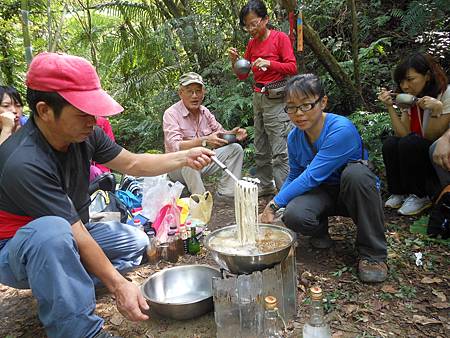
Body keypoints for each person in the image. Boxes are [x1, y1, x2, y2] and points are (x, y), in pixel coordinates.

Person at [0, 52, 214, 338]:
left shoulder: (85, 133)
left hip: (73, 230)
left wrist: (185, 156)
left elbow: (133, 163)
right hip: (19, 248)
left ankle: (65, 284)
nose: (92, 120)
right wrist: (118, 285)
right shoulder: (24, 162)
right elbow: (73, 231)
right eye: (83, 112)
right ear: (44, 110)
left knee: (136, 240)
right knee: (52, 233)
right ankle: (80, 330)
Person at [260, 74, 387, 283]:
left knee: (356, 174)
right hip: (325, 193)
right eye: (291, 107)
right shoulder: (294, 137)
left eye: (306, 105)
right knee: (294, 214)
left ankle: (373, 255)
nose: (298, 113)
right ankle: (319, 230)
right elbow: (295, 174)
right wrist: (279, 202)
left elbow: (311, 176)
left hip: (353, 193)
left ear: (323, 102)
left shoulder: (341, 129)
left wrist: (274, 205)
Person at [228, 0, 297, 196]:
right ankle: (266, 185)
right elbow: (243, 74)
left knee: (280, 150)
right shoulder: (251, 44)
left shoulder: (279, 38)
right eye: (247, 25)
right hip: (258, 98)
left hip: (277, 99)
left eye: (254, 23)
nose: (250, 29)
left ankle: (285, 194)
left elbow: (292, 67)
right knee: (260, 146)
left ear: (265, 19)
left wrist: (270, 63)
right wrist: (235, 62)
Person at [378, 52, 450, 215]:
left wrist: (435, 110)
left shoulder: (445, 94)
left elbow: (432, 137)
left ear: (427, 76)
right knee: (391, 143)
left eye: (410, 80)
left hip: (439, 155)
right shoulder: (411, 98)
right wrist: (390, 107)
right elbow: (403, 134)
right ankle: (399, 192)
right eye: (401, 81)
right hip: (420, 150)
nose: (405, 86)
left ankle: (421, 195)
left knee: (410, 143)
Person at [163, 71, 247, 200]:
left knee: (235, 149)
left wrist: (232, 135)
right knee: (189, 159)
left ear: (203, 92)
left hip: (201, 162)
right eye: (190, 91)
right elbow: (175, 146)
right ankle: (201, 201)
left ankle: (226, 193)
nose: (195, 96)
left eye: (198, 91)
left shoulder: (204, 112)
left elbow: (219, 133)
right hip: (177, 166)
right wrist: (204, 141)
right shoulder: (171, 114)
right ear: (181, 93)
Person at [90, 116, 116, 182]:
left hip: (99, 168)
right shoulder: (103, 122)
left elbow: (110, 148)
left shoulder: (103, 122)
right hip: (99, 169)